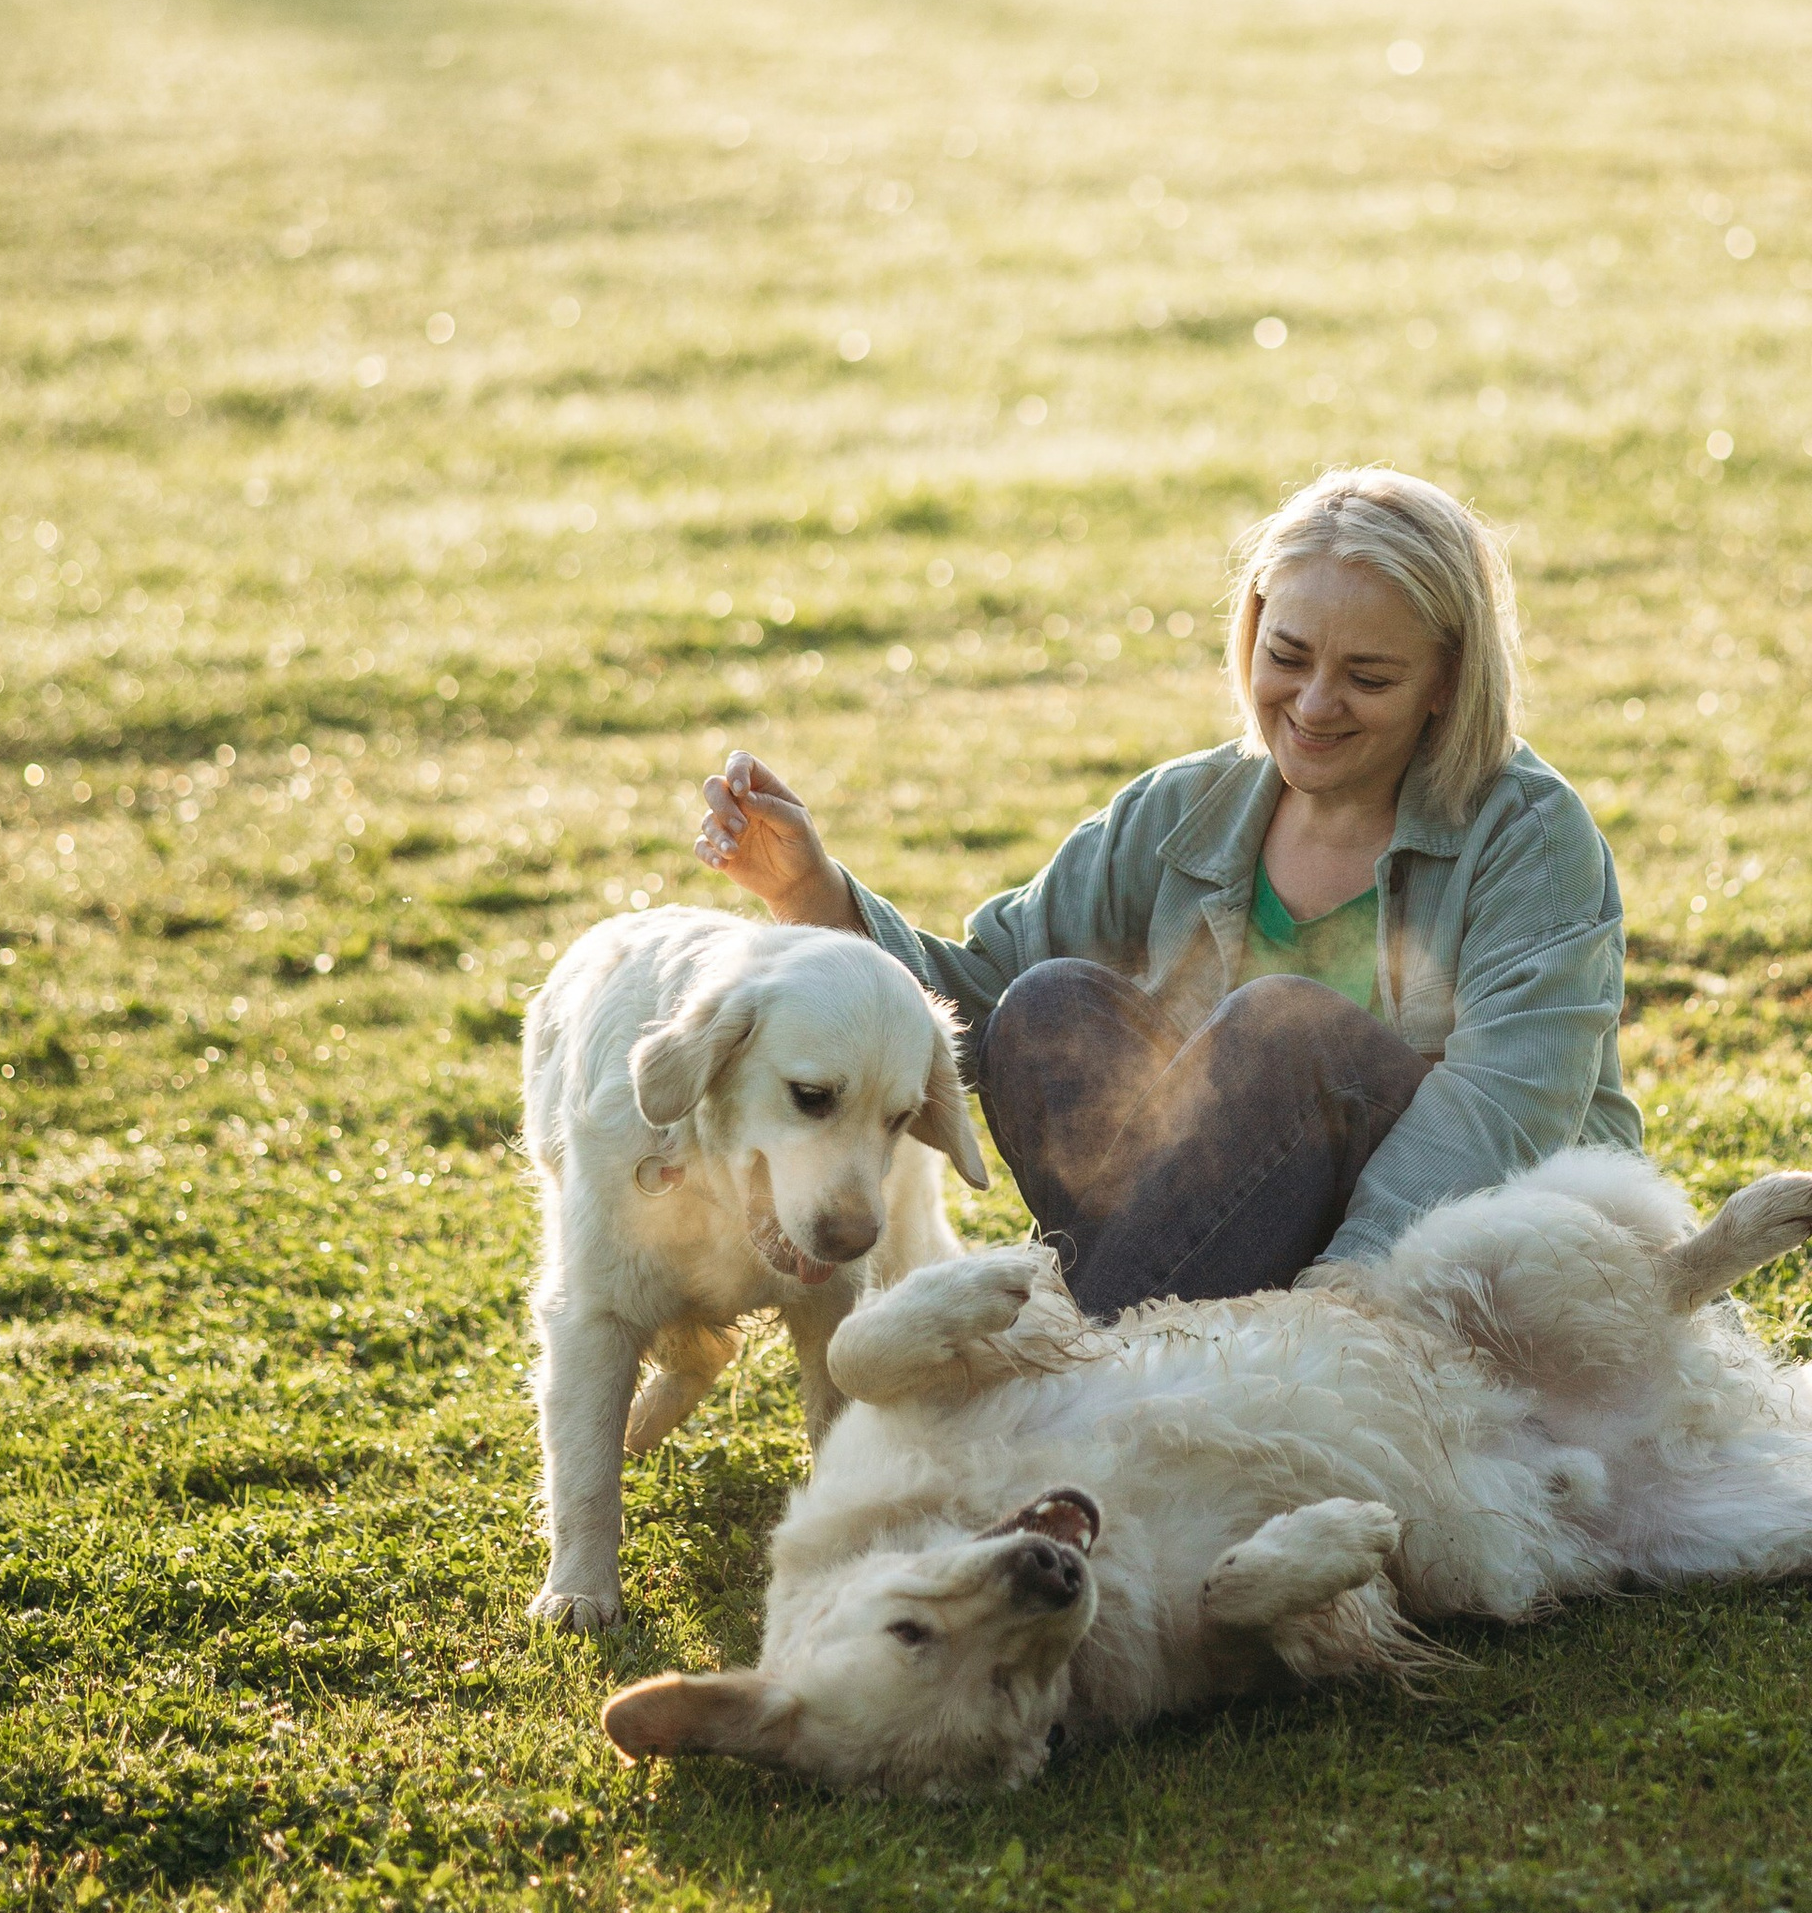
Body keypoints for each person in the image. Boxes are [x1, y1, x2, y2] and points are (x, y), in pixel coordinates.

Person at [694, 464, 1637, 1321]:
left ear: (1446, 680)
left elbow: (1502, 1113)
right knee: (1048, 1005)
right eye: (1289, 656)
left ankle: (1081, 1347)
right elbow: (974, 1000)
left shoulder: (1532, 838)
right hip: (1220, 1238)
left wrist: (1341, 1292)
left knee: (1285, 1033)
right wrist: (810, 888)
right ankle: (1122, 1338)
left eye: (1369, 676)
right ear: (1253, 630)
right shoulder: (1184, 810)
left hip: (1433, 1247)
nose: (1314, 705)